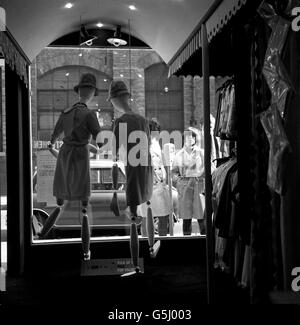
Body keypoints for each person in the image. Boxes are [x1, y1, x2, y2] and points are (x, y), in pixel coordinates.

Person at [39, 73, 101, 260]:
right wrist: (93, 146)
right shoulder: (90, 114)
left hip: (65, 154)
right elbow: (100, 138)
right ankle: (85, 251)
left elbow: (54, 135)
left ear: (79, 91)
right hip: (80, 156)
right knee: (83, 205)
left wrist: (52, 143)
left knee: (61, 201)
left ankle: (42, 234)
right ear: (90, 93)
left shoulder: (66, 112)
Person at [108, 80, 154, 272]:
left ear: (116, 99)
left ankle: (136, 265)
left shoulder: (120, 122)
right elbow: (148, 144)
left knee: (134, 216)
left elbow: (113, 153)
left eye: (112, 100)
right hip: (146, 168)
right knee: (143, 209)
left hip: (133, 170)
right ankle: (148, 251)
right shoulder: (143, 120)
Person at [140, 118, 172, 236]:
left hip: (157, 186)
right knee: (147, 218)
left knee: (160, 217)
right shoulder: (143, 145)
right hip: (150, 186)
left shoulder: (156, 144)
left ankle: (159, 243)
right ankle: (149, 244)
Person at [172, 127, 206, 236]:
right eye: (188, 137)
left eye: (192, 137)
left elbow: (211, 168)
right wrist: (179, 182)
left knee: (201, 217)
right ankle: (187, 242)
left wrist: (202, 178)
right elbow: (173, 172)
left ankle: (205, 240)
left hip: (198, 186)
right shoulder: (178, 155)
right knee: (186, 219)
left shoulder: (201, 153)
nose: (190, 139)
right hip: (185, 187)